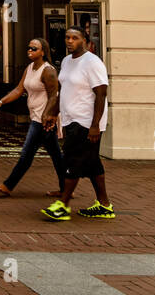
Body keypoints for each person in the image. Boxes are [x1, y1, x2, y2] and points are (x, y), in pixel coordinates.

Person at [41, 25, 114, 221]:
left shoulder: (92, 62)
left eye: (74, 38)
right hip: (70, 120)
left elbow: (101, 94)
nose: (69, 41)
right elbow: (63, 91)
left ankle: (63, 205)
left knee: (71, 161)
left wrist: (95, 125)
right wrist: (53, 114)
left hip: (85, 122)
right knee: (91, 164)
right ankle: (104, 205)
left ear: (85, 41)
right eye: (67, 37)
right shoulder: (66, 61)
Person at [0, 38, 65, 197]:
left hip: (43, 120)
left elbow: (55, 95)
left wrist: (48, 115)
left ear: (43, 52)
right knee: (56, 156)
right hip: (37, 117)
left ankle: (8, 185)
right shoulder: (30, 68)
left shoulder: (48, 71)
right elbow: (19, 89)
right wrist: (0, 102)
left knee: (27, 154)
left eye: (34, 48)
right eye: (29, 48)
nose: (30, 50)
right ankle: (66, 188)